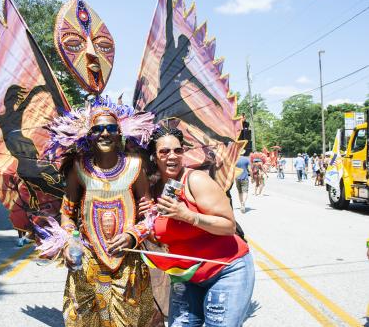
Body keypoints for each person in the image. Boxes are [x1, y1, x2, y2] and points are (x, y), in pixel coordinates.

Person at [45, 101, 156, 326]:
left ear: (119, 133)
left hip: (127, 262)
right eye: (98, 129)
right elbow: (67, 213)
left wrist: (132, 235)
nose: (105, 133)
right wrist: (69, 243)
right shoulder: (78, 167)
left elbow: (150, 216)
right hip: (88, 262)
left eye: (111, 128)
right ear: (89, 134)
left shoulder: (135, 167)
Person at [140, 128, 254, 327]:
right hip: (186, 275)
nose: (172, 156)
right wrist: (148, 223)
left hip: (225, 271)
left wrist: (188, 215)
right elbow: (161, 239)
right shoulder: (153, 191)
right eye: (164, 152)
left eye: (177, 150)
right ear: (154, 156)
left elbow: (229, 226)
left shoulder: (195, 180)